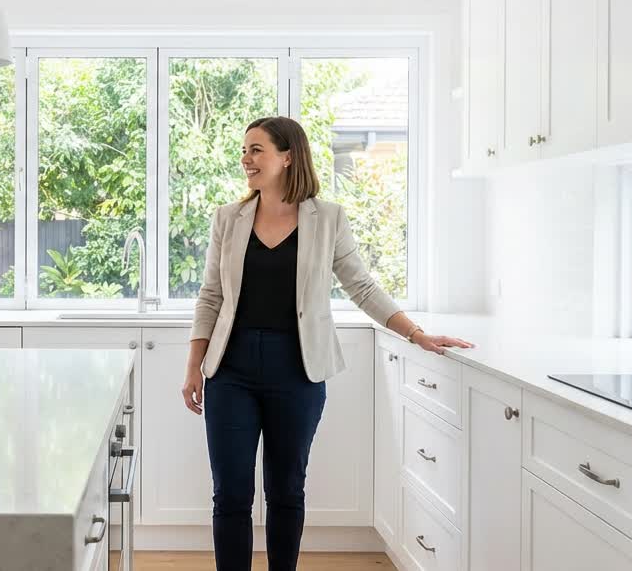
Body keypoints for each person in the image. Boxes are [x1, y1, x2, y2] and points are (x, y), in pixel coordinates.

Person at [184, 116, 473, 570]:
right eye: (244, 150)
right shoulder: (228, 218)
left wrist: (416, 334)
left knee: (286, 490)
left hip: (297, 372)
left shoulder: (328, 218)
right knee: (231, 493)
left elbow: (362, 287)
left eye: (256, 150)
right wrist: (193, 368)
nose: (246, 159)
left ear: (287, 156)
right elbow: (211, 296)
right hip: (231, 372)